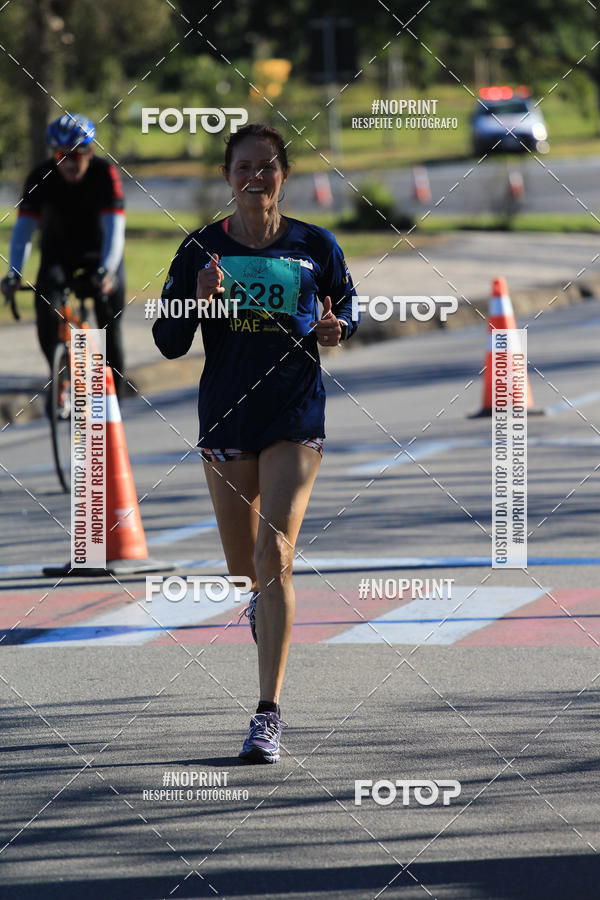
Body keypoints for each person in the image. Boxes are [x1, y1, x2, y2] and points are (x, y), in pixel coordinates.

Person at [153, 122, 359, 764]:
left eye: (266, 166)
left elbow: (348, 308)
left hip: (295, 413)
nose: (255, 176)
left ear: (283, 176)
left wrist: (337, 328)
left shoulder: (314, 245)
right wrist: (196, 302)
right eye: (243, 166)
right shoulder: (201, 249)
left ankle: (267, 712)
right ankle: (261, 607)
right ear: (227, 176)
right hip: (227, 419)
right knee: (246, 570)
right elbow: (167, 343)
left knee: (276, 555)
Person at [1, 113, 127, 399]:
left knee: (110, 320)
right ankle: (59, 376)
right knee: (45, 304)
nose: (68, 163)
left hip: (100, 255)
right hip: (59, 254)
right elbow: (23, 232)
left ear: (90, 152)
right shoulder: (40, 176)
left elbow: (114, 229)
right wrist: (13, 273)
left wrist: (107, 270)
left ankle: (115, 402)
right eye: (61, 155)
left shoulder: (105, 174)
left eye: (76, 155)